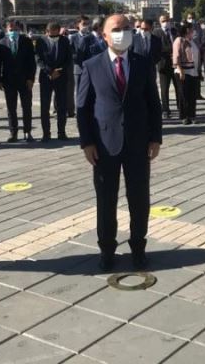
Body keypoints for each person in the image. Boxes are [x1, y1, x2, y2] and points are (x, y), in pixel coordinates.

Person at [77, 14, 162, 271]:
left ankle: (138, 247)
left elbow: (153, 103)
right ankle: (107, 250)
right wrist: (87, 142)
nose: (122, 33)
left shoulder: (142, 63)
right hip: (104, 145)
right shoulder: (91, 65)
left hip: (138, 143)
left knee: (139, 199)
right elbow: (83, 107)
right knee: (106, 200)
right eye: (116, 29)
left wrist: (155, 137)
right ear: (104, 35)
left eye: (127, 29)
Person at [0, 20, 36, 142]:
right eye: (10, 29)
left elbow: (32, 62)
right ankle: (13, 133)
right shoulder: (1, 43)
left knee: (27, 106)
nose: (13, 31)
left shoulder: (26, 41)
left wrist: (31, 78)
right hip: (9, 81)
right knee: (11, 108)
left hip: (24, 80)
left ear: (19, 29)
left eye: (15, 29)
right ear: (6, 30)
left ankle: (27, 132)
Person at [35, 21, 73, 141]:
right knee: (44, 107)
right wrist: (50, 71)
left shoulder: (65, 41)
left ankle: (61, 132)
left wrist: (59, 71)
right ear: (47, 32)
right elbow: (38, 59)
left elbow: (68, 59)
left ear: (58, 31)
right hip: (46, 77)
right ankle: (46, 134)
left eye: (55, 34)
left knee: (62, 106)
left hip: (61, 77)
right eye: (50, 34)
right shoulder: (41, 41)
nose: (53, 36)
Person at [173, 22, 199, 124]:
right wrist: (180, 69)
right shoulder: (179, 40)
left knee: (192, 95)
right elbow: (176, 56)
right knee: (183, 95)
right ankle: (184, 116)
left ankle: (192, 115)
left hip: (193, 72)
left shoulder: (192, 41)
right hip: (182, 71)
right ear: (186, 30)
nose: (193, 31)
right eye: (191, 29)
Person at [153, 14, 179, 119]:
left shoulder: (174, 31)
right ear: (160, 22)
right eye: (163, 20)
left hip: (176, 63)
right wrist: (170, 52)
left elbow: (178, 43)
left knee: (179, 87)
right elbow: (158, 48)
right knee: (164, 89)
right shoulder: (156, 33)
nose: (166, 22)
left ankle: (180, 107)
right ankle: (165, 110)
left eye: (167, 20)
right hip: (164, 64)